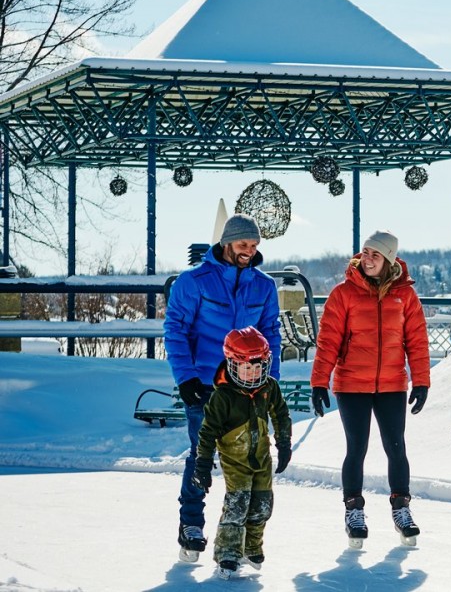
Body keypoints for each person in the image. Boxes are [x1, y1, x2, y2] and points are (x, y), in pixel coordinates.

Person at [163, 213, 282, 562]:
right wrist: (185, 376)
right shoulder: (193, 282)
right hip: (203, 384)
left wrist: (269, 380)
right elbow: (175, 330)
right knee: (201, 455)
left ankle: (240, 534)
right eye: (244, 244)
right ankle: (191, 524)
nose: (249, 250)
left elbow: (271, 334)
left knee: (247, 461)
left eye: (254, 245)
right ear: (227, 242)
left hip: (248, 388)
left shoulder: (263, 286)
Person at [309, 229, 431, 548]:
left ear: (389, 260)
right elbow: (328, 341)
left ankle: (401, 507)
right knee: (356, 448)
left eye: (375, 254)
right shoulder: (343, 293)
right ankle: (354, 511)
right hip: (351, 384)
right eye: (365, 252)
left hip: (391, 384)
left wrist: (421, 380)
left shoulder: (405, 296)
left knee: (396, 447)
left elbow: (417, 342)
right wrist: (319, 381)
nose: (368, 258)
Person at [191, 327, 292, 578]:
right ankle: (228, 552)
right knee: (237, 505)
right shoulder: (223, 397)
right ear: (233, 365)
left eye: (258, 367)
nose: (253, 373)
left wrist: (284, 443)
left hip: (261, 458)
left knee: (262, 505)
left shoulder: (269, 387)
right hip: (235, 460)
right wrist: (203, 464)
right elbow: (207, 432)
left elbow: (280, 414)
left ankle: (251, 547)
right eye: (247, 368)